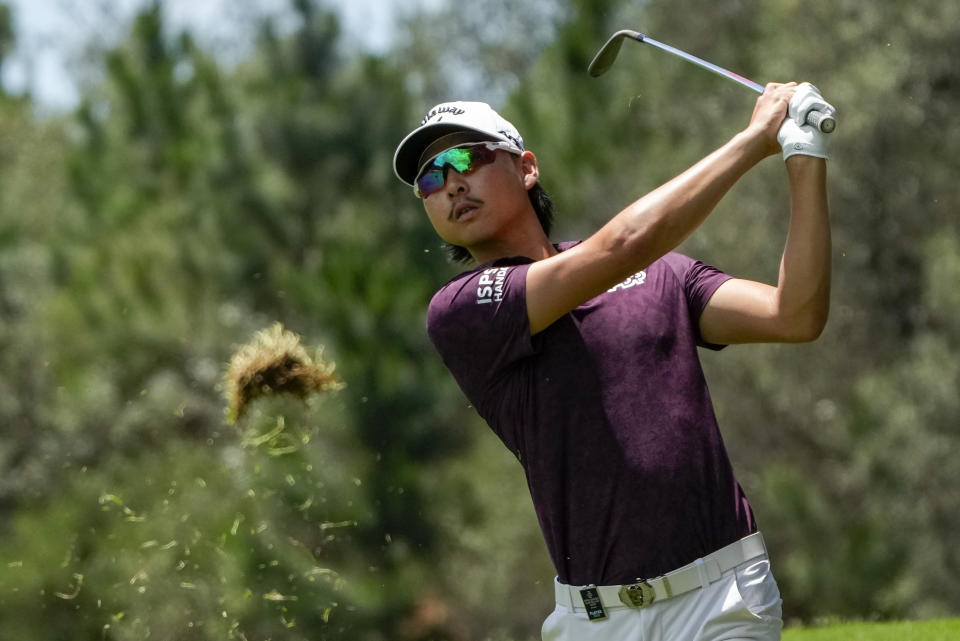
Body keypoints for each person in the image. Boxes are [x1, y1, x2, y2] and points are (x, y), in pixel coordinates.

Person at [392, 82, 833, 641]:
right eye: (430, 178)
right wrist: (752, 142)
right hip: (595, 622)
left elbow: (793, 314)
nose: (452, 181)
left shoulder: (662, 273)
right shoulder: (461, 311)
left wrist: (803, 157)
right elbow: (620, 247)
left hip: (723, 598)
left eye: (469, 157)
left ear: (526, 168)